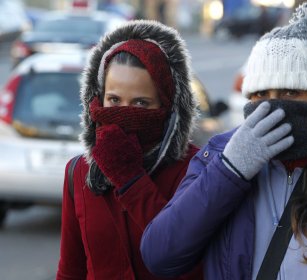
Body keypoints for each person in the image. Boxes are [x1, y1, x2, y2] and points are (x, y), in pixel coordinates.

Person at [141, 2, 307, 280]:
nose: (272, 107)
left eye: (290, 91)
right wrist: (229, 171)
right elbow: (160, 256)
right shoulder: (218, 157)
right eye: (260, 94)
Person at [56, 20, 203, 280]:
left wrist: (131, 180)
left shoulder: (195, 170)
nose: (124, 112)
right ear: (97, 98)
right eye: (113, 100)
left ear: (166, 107)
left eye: (140, 103)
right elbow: (71, 270)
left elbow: (184, 258)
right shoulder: (78, 173)